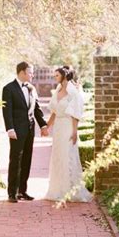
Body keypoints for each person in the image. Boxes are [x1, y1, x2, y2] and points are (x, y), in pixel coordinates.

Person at [44, 65, 92, 203]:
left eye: (57, 75)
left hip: (68, 126)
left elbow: (76, 114)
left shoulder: (73, 93)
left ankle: (70, 190)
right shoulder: (58, 90)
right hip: (58, 128)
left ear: (64, 76)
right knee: (58, 156)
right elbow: (54, 112)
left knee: (68, 156)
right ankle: (57, 189)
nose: (55, 78)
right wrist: (46, 126)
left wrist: (75, 131)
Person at [2, 62, 48, 203]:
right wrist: (10, 129)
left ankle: (22, 191)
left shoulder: (31, 89)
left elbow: (36, 109)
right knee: (15, 160)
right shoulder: (8, 89)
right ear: (22, 72)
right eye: (30, 72)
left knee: (27, 160)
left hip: (30, 130)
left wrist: (43, 125)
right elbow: (6, 111)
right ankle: (12, 193)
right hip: (16, 130)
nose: (32, 75)